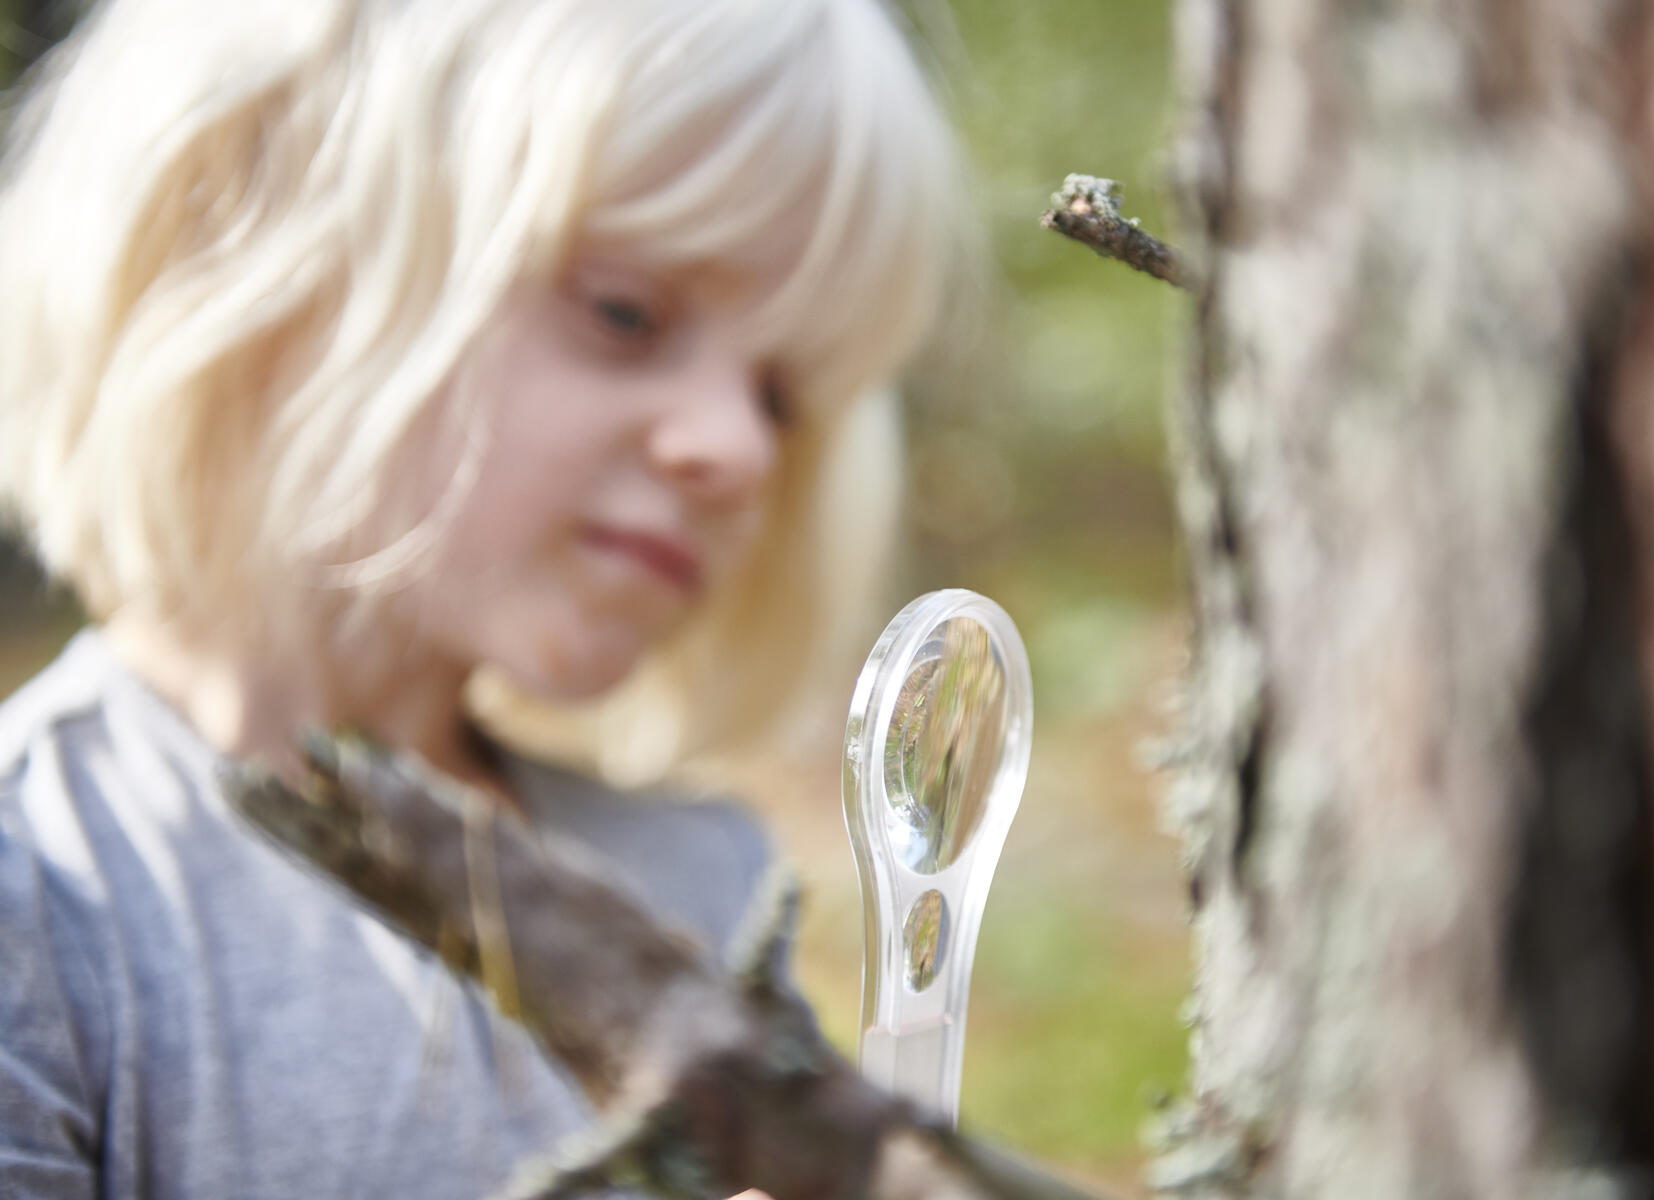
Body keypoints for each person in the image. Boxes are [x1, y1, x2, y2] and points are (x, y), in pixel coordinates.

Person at [0, 0, 957, 1194]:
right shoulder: (47, 888)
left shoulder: (705, 887)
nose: (740, 449)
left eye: (779, 393)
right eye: (625, 312)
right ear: (264, 244)